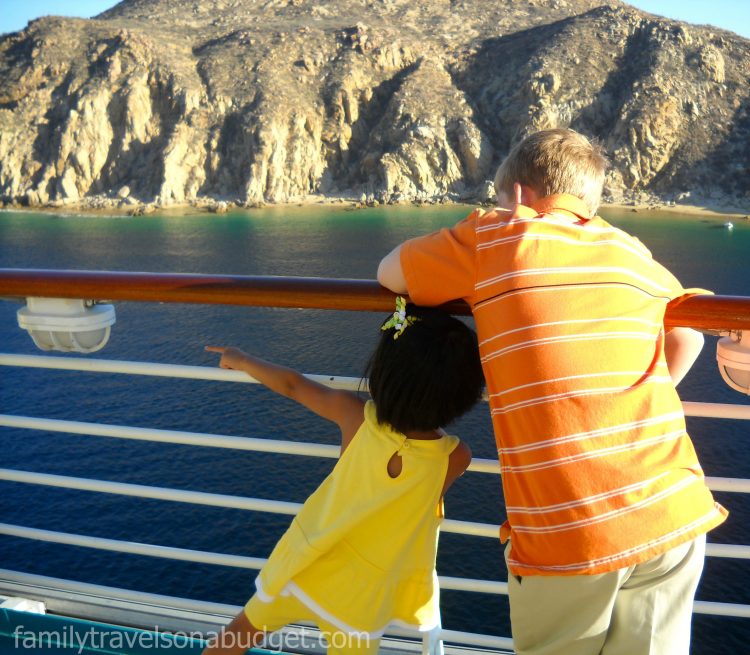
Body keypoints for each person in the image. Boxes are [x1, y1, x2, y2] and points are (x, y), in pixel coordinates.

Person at [377, 128, 727, 655]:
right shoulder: (629, 249)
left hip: (571, 530)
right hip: (672, 510)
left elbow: (388, 272)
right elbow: (687, 336)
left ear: (517, 195)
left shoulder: (495, 236)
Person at [201, 300, 484, 655]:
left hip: (308, 563)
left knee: (240, 633)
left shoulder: (357, 418)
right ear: (464, 396)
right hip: (364, 595)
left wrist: (240, 358)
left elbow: (293, 385)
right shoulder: (455, 457)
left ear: (383, 374)